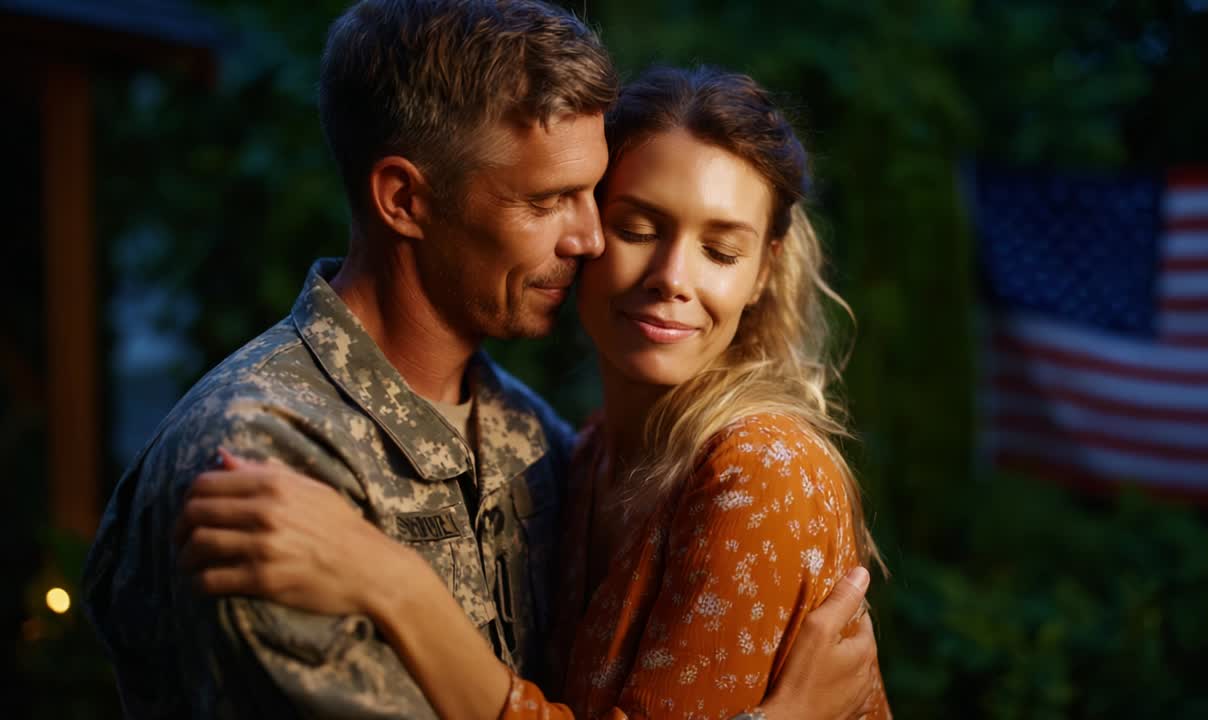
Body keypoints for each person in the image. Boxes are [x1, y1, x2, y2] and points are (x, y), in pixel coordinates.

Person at [82, 1, 882, 718]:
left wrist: (397, 587)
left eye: (590, 197)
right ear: (405, 199)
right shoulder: (267, 459)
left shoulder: (536, 443)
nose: (589, 239)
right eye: (547, 202)